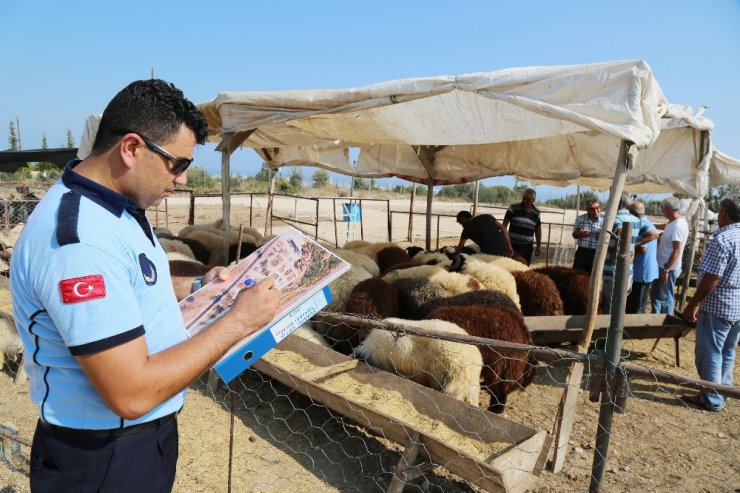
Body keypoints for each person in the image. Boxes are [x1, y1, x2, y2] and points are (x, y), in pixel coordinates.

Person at [10, 79, 280, 492]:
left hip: (135, 441)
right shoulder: (80, 241)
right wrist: (239, 322)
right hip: (103, 457)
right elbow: (131, 394)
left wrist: (197, 286)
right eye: (178, 164)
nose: (183, 179)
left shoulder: (115, 209)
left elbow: (132, 280)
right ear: (131, 148)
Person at [681, 196, 740, 412]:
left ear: (724, 214)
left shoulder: (723, 239)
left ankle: (712, 398)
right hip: (737, 305)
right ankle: (723, 392)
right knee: (727, 351)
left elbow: (712, 278)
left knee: (711, 352)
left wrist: (693, 303)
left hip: (718, 305)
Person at [601, 194, 640, 314]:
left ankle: (608, 331)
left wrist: (612, 253)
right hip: (628, 269)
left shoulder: (613, 220)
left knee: (609, 303)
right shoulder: (637, 220)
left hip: (612, 268)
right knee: (622, 303)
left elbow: (615, 245)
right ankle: (619, 329)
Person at [651, 197, 688, 315]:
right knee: (656, 293)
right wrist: (649, 224)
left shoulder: (677, 226)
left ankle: (666, 321)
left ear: (667, 209)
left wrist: (666, 270)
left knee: (666, 296)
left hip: (668, 267)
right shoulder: (672, 222)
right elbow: (664, 226)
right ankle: (656, 318)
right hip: (662, 265)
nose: (662, 211)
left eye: (662, 209)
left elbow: (676, 250)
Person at [625, 201, 659, 314]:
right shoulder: (648, 223)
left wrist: (632, 246)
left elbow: (643, 249)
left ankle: (634, 330)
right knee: (641, 303)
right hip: (647, 271)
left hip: (640, 272)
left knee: (636, 306)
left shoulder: (639, 224)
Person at [502, 188, 542, 264]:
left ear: (533, 200)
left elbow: (538, 229)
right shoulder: (513, 208)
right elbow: (504, 226)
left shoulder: (537, 212)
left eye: (528, 200)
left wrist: (538, 246)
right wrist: (506, 244)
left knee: (524, 270)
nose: (524, 201)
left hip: (527, 248)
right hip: (512, 246)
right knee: (511, 268)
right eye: (524, 198)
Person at [571, 198, 604, 273]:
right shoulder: (580, 219)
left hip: (596, 253)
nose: (595, 211)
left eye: (597, 208)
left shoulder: (605, 220)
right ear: (587, 210)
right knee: (577, 275)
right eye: (592, 209)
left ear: (599, 208)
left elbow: (609, 238)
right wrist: (580, 233)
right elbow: (574, 235)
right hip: (582, 252)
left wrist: (602, 237)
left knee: (593, 275)